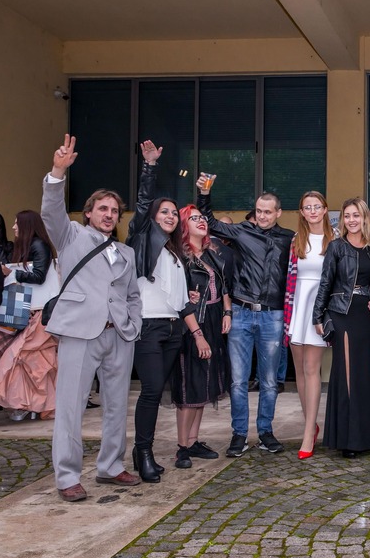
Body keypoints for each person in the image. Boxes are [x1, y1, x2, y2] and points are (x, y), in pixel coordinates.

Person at [42, 134, 143, 502]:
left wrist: (133, 324)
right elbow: (51, 211)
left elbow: (132, 294)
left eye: (114, 211)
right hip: (80, 332)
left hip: (119, 335)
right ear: (89, 212)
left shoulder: (126, 253)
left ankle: (111, 466)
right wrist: (58, 172)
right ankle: (67, 476)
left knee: (116, 406)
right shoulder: (71, 236)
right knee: (71, 406)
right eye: (102, 209)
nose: (109, 215)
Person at [197, 175, 294, 457]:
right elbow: (210, 222)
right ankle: (239, 434)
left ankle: (265, 432)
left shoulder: (290, 239)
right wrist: (205, 194)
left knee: (269, 381)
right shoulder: (241, 232)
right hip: (240, 314)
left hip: (273, 316)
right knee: (238, 381)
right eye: (259, 211)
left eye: (268, 212)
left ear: (278, 213)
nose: (262, 216)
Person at [126, 140, 194, 483]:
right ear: (153, 217)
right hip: (148, 328)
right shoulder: (142, 238)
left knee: (156, 391)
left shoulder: (174, 252)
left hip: (172, 329)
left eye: (173, 213)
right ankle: (144, 452)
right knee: (151, 391)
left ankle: (142, 452)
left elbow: (178, 297)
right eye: (164, 211)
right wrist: (149, 167)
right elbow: (141, 204)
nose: (170, 216)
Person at [312, 198, 370, 458]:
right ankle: (348, 439)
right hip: (341, 313)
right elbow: (326, 282)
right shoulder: (336, 247)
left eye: (356, 215)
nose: (351, 220)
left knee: (364, 374)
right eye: (347, 216)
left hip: (365, 315)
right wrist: (318, 317)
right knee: (346, 374)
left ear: (364, 217)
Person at [171, 204, 232, 469]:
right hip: (192, 325)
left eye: (202, 217)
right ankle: (182, 447)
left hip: (213, 321)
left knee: (204, 386)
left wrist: (228, 312)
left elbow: (224, 285)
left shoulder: (211, 253)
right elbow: (180, 300)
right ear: (184, 224)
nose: (201, 221)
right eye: (193, 218)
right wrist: (197, 335)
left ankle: (193, 440)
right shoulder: (179, 257)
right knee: (189, 388)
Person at [283, 191, 335, 460]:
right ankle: (310, 425)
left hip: (320, 311)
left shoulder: (335, 239)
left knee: (312, 369)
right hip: (297, 308)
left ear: (325, 210)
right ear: (302, 213)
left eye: (317, 206)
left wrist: (326, 315)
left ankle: (307, 434)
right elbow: (290, 280)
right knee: (301, 371)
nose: (313, 211)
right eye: (307, 207)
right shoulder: (296, 240)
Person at [0, 211, 59, 421]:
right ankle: (28, 404)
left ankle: (30, 404)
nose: (13, 227)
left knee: (27, 359)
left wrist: (12, 273)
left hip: (38, 315)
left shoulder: (39, 245)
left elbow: (39, 276)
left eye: (16, 223)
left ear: (26, 225)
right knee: (28, 362)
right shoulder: (27, 246)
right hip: (29, 312)